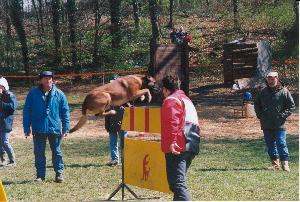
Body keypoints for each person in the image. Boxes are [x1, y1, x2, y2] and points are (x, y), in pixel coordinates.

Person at [23, 71, 70, 182]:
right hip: (39, 128)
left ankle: (59, 174)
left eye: (49, 78)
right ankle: (40, 176)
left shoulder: (60, 94)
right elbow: (27, 111)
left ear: (52, 80)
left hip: (54, 128)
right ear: (41, 80)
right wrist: (26, 127)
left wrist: (66, 127)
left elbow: (65, 112)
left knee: (57, 152)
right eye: (45, 78)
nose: (48, 80)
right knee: (39, 153)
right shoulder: (32, 94)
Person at [161, 75, 200, 201]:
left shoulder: (171, 100)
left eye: (163, 90)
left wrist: (172, 142)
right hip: (192, 142)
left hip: (178, 144)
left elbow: (173, 121)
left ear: (166, 89)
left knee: (177, 183)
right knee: (177, 183)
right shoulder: (186, 99)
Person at [254, 71, 295, 172]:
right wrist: (260, 116)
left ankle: (285, 164)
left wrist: (282, 116)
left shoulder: (284, 91)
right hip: (266, 123)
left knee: (281, 143)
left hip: (279, 124)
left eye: (273, 78)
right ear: (267, 79)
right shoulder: (262, 92)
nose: (271, 80)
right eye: (269, 78)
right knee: (270, 144)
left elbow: (291, 106)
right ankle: (275, 165)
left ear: (277, 78)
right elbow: (257, 105)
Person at [0, 77, 18, 167]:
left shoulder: (10, 95)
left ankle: (12, 161)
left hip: (6, 122)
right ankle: (3, 160)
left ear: (4, 86)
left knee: (5, 142)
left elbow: (12, 107)